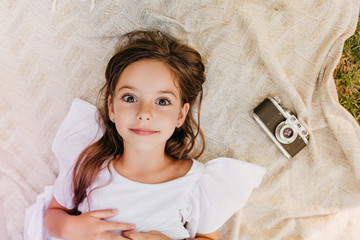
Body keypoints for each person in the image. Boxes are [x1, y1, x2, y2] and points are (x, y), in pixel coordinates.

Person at [26, 30, 266, 240]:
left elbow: (207, 237)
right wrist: (71, 227)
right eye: (130, 98)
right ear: (111, 108)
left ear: (181, 115)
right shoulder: (89, 164)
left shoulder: (195, 183)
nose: (144, 113)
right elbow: (53, 215)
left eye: (162, 101)